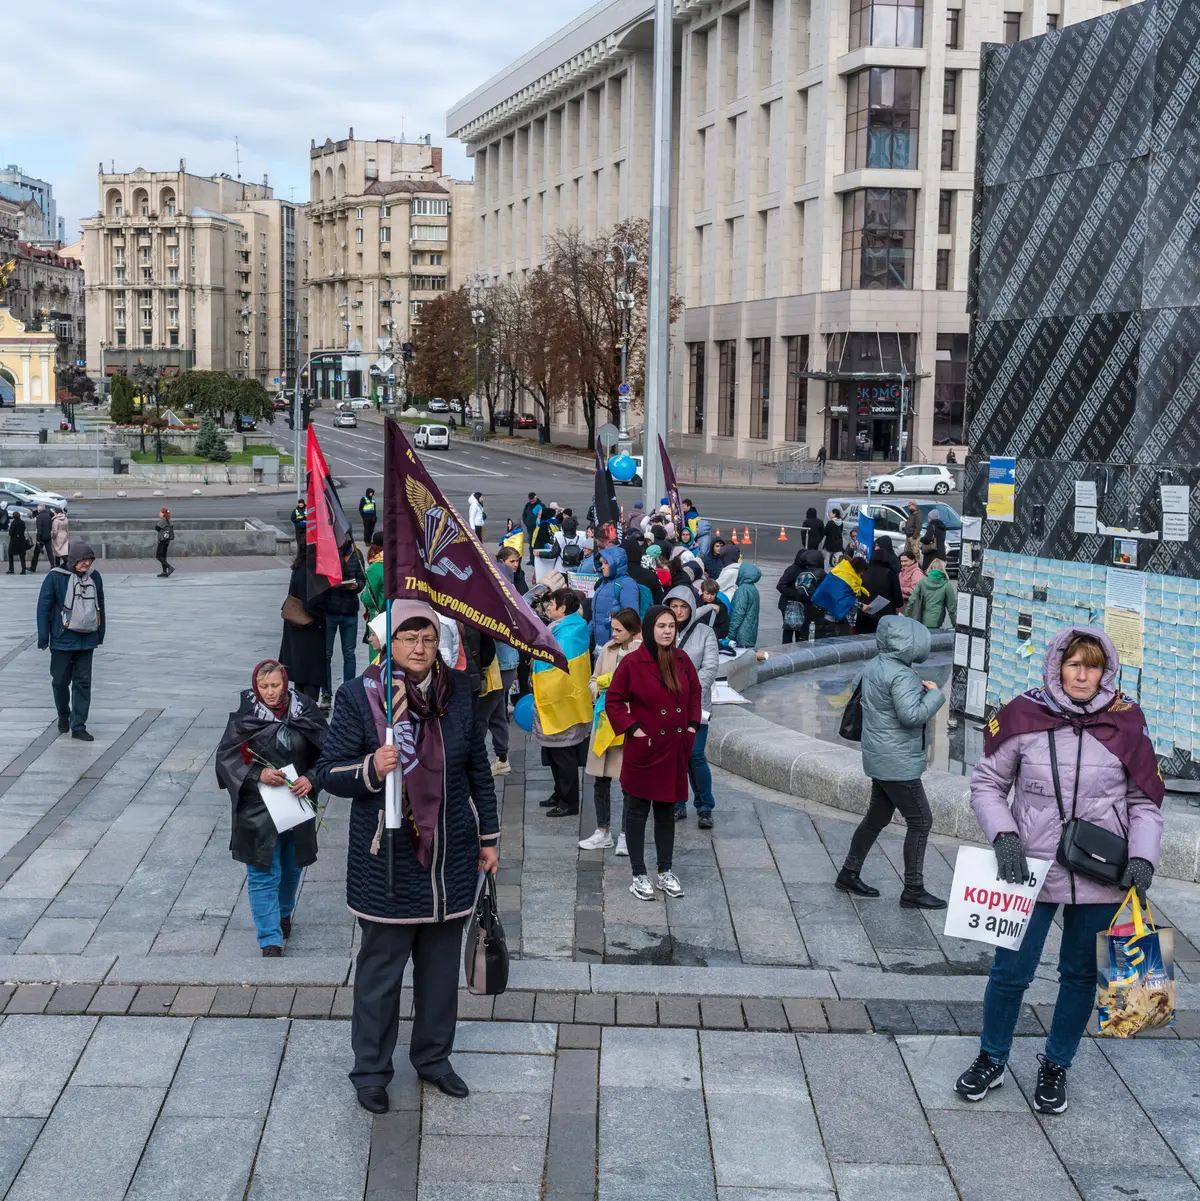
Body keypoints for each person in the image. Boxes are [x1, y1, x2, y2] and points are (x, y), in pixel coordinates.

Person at [955, 627, 1164, 1115]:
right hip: (1028, 869)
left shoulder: (1127, 722)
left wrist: (1143, 857)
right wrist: (1004, 835)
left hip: (1101, 873)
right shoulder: (1022, 716)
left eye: (1092, 666)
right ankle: (992, 1057)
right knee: (1010, 973)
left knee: (1079, 976)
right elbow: (987, 782)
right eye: (1074, 664)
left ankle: (1056, 1065)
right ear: (1057, 666)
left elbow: (1146, 802)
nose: (1082, 674)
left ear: (1106, 671)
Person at [311, 600, 499, 1114]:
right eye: (407, 638)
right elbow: (328, 772)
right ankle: (371, 1069)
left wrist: (490, 837)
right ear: (387, 644)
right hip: (387, 856)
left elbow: (476, 768)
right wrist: (371, 766)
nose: (419, 649)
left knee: (440, 972)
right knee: (381, 974)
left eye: (427, 638)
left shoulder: (459, 691)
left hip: (450, 854)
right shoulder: (359, 696)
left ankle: (434, 1058)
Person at [215, 660, 328, 956]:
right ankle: (269, 939)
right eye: (263, 687)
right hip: (257, 809)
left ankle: (283, 912)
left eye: (275, 685)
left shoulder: (306, 710)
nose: (270, 692)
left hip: (296, 803)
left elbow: (328, 751)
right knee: (263, 870)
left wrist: (311, 778)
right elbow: (226, 760)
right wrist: (258, 775)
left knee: (292, 867)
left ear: (286, 682)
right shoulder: (244, 717)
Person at [836, 615, 946, 907]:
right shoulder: (902, 675)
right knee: (921, 821)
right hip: (898, 761)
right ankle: (913, 889)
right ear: (910, 643)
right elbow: (911, 716)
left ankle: (849, 872)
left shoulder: (874, 665)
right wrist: (934, 695)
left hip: (880, 756)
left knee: (877, 817)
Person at [605, 606, 701, 901]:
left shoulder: (682, 660)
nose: (667, 631)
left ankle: (665, 871)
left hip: (673, 749)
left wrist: (692, 727)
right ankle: (638, 874)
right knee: (636, 812)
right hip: (644, 750)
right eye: (661, 626)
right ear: (649, 628)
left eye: (671, 626)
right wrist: (634, 730)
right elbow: (615, 701)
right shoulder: (634, 663)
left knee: (665, 813)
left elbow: (695, 694)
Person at [580, 607, 643, 853]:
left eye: (619, 629)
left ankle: (628, 833)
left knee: (627, 781)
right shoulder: (607, 649)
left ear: (632, 630)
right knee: (600, 778)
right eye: (613, 628)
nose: (614, 633)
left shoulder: (643, 653)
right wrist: (600, 689)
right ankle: (603, 830)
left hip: (627, 721)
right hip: (604, 719)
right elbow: (593, 679)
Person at [531, 589, 592, 818]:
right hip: (553, 699)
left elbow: (561, 670)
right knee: (554, 753)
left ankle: (569, 801)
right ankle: (559, 793)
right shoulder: (565, 626)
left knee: (564, 755)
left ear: (563, 608)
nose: (548, 607)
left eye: (551, 604)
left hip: (562, 702)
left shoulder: (569, 632)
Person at [36, 539, 105, 740]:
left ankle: (79, 726)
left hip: (87, 639)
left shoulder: (95, 577)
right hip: (61, 639)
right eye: (83, 560)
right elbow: (43, 607)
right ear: (73, 559)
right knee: (59, 681)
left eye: (90, 560)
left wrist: (101, 632)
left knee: (83, 683)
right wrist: (43, 636)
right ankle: (63, 714)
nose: (87, 564)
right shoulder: (55, 577)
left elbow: (100, 605)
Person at [666, 586, 719, 827]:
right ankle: (677, 803)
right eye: (674, 606)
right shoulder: (662, 631)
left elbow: (709, 668)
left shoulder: (705, 632)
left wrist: (687, 691)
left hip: (696, 705)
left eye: (683, 607)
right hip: (666, 706)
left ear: (691, 608)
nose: (678, 611)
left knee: (695, 755)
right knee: (674, 757)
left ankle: (705, 805)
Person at [310, 541, 366, 706]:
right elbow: (321, 580)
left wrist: (357, 586)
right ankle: (326, 694)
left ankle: (349, 693)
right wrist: (335, 584)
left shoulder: (356, 554)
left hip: (350, 612)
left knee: (349, 653)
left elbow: (362, 579)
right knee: (326, 654)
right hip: (330, 611)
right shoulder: (330, 555)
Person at [279, 549, 327, 702]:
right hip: (308, 630)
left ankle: (300, 713)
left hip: (296, 629)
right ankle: (308, 717)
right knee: (310, 680)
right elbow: (312, 602)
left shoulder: (299, 566)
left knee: (300, 680)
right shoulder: (311, 570)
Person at [590, 547, 641, 646]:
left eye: (606, 563)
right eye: (601, 563)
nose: (602, 567)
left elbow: (631, 618)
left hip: (616, 643)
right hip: (601, 643)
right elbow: (597, 615)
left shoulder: (626, 583)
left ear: (616, 564)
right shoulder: (604, 582)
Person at [856, 540, 904, 636]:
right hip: (884, 614)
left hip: (864, 613)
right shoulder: (889, 573)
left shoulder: (865, 571)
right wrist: (899, 604)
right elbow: (897, 594)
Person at [777, 549, 822, 643]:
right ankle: (786, 648)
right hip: (789, 604)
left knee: (800, 630)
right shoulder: (793, 569)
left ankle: (797, 648)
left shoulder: (808, 570)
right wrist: (795, 594)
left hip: (801, 604)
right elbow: (781, 585)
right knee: (789, 629)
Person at [905, 558, 956, 629]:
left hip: (921, 619)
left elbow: (912, 600)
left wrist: (906, 617)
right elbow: (952, 608)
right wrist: (955, 625)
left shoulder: (922, 581)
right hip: (937, 620)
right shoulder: (946, 584)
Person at [728, 561, 762, 648]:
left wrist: (730, 634)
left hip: (741, 635)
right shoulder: (753, 589)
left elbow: (738, 613)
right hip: (749, 633)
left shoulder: (743, 590)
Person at [29, 504, 53, 572]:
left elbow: (39, 530)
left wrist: (38, 539)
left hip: (41, 538)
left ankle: (33, 567)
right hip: (48, 537)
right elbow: (50, 527)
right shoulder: (48, 516)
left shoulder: (39, 517)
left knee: (36, 553)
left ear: (39, 510)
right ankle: (53, 566)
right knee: (50, 553)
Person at [522, 492, 542, 567]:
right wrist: (526, 522)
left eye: (532, 499)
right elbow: (524, 515)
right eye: (530, 499)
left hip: (538, 529)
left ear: (535, 497)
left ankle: (537, 559)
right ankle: (532, 559)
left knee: (537, 544)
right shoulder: (528, 505)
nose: (531, 501)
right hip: (530, 528)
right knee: (531, 544)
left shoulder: (540, 505)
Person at [155, 507, 176, 578]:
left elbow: (156, 527)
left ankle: (169, 567)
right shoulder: (169, 520)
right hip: (167, 540)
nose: (159, 513)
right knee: (163, 556)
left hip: (162, 540)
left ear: (163, 513)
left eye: (160, 512)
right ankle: (164, 572)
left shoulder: (163, 520)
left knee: (158, 556)